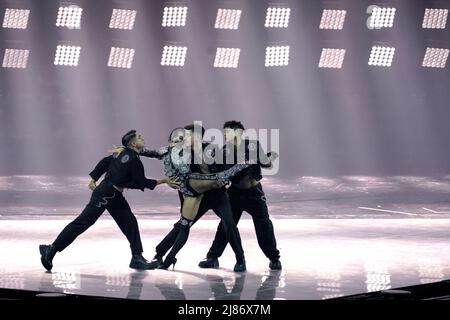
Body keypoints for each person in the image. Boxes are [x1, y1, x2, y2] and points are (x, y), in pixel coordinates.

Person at [38, 130, 179, 271]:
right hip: (105, 194)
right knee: (83, 222)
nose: (143, 138)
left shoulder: (122, 152)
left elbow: (105, 162)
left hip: (112, 195)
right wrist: (164, 181)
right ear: (134, 143)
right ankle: (51, 249)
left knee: (130, 222)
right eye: (140, 137)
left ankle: (137, 257)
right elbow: (141, 182)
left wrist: (94, 178)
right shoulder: (133, 160)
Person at [145, 124, 248, 271]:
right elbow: (157, 153)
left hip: (218, 194)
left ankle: (240, 259)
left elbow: (227, 169)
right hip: (199, 195)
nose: (185, 137)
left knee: (229, 224)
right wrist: (133, 150)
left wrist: (225, 181)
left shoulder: (213, 150)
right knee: (182, 225)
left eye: (188, 135)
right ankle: (159, 254)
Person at [198, 121, 282, 270]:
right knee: (226, 225)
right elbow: (220, 172)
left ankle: (274, 258)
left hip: (254, 193)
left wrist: (268, 160)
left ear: (239, 132)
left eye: (227, 132)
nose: (224, 135)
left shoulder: (254, 145)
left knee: (264, 225)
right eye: (223, 132)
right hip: (234, 193)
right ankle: (213, 257)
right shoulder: (224, 151)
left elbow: (265, 163)